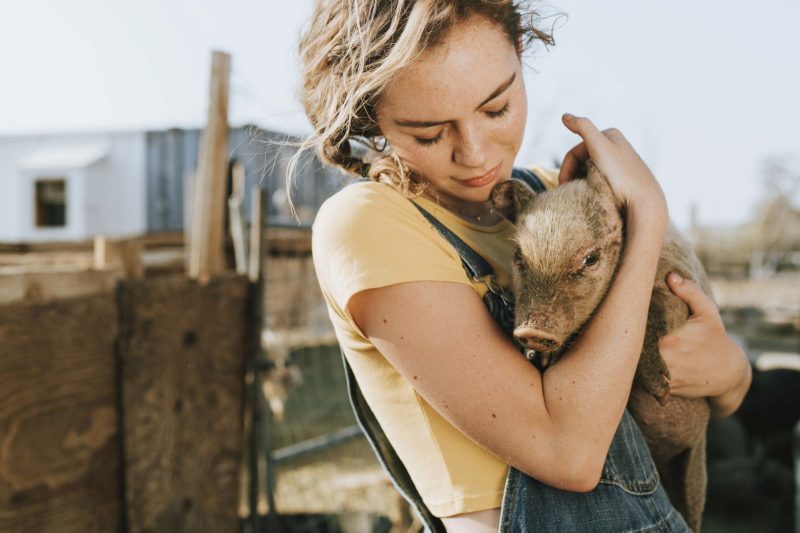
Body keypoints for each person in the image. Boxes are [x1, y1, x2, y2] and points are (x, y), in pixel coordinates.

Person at [297, 1, 752, 531]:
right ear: (370, 115)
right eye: (429, 133)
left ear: (521, 54)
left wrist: (729, 367)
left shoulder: (546, 197)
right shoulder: (371, 225)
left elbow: (722, 395)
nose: (476, 154)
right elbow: (570, 453)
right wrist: (646, 216)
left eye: (496, 109)